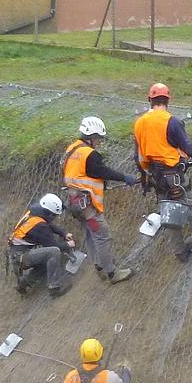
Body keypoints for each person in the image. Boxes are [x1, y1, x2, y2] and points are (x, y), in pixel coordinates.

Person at [132, 83, 192, 258]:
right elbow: (186, 145)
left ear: (149, 100)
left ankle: (179, 251)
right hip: (173, 175)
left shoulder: (139, 123)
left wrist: (144, 177)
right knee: (191, 202)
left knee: (168, 209)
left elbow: (137, 155)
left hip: (155, 176)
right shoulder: (172, 121)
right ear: (168, 100)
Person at [62, 116, 136, 285]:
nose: (99, 142)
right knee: (103, 236)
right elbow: (102, 171)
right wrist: (124, 177)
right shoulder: (90, 154)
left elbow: (82, 175)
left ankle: (100, 267)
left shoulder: (72, 149)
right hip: (87, 208)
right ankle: (112, 273)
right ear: (91, 136)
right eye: (98, 138)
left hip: (74, 203)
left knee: (90, 235)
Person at [8, 193, 77, 296]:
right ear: (50, 213)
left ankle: (24, 282)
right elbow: (54, 245)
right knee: (53, 252)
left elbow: (47, 224)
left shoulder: (36, 210)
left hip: (16, 254)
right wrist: (68, 245)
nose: (55, 218)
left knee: (48, 260)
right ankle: (54, 288)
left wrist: (63, 233)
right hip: (21, 257)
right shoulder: (39, 226)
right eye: (55, 215)